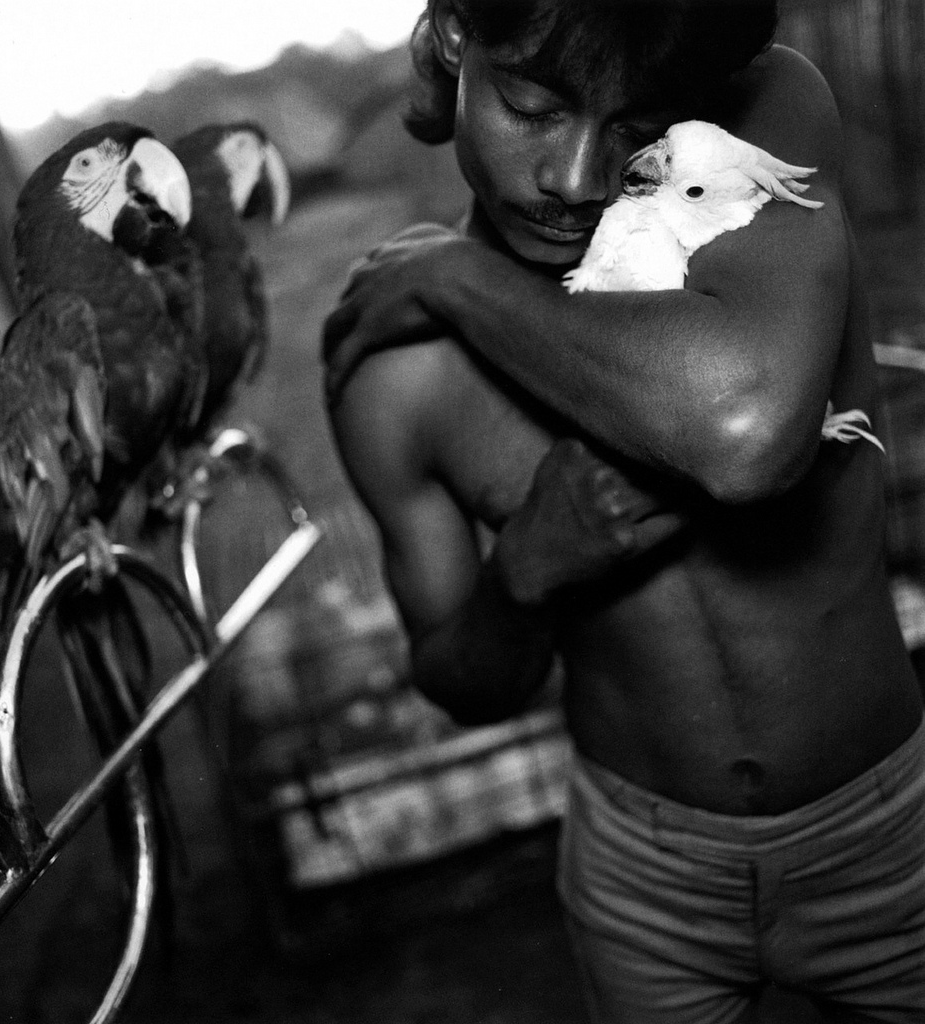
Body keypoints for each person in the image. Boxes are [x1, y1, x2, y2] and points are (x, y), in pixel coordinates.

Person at [323, 1, 925, 1021]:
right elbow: (461, 684)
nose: (575, 180)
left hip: (889, 830)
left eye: (639, 127)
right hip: (642, 886)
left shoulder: (754, 132)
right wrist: (523, 574)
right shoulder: (398, 378)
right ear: (461, 42)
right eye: (533, 105)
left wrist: (455, 276)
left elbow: (742, 434)